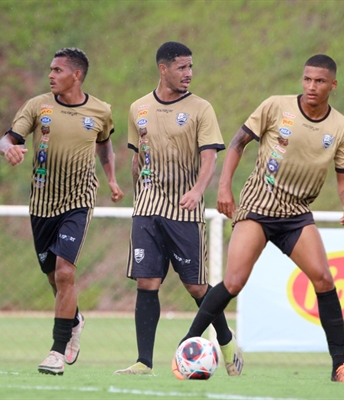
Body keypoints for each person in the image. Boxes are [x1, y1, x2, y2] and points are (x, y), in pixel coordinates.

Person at [179, 54, 344, 382]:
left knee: (323, 279)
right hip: (258, 207)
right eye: (307, 79)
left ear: (332, 85)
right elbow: (237, 144)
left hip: (295, 214)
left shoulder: (341, 128)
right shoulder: (275, 106)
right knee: (234, 281)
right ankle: (185, 347)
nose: (311, 86)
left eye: (319, 81)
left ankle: (340, 366)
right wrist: (224, 188)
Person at [114, 41, 243, 376]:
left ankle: (227, 343)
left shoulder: (201, 108)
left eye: (191, 67)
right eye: (182, 67)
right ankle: (144, 361)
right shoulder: (138, 108)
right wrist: (138, 194)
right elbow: (136, 156)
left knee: (197, 287)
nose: (189, 74)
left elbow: (209, 156)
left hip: (184, 212)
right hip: (147, 209)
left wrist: (198, 190)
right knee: (146, 282)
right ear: (163, 69)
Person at [0, 47, 124, 375]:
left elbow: (105, 144)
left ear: (76, 75)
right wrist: (9, 149)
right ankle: (75, 319)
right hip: (42, 204)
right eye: (50, 70)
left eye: (57, 70)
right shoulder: (38, 106)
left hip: (78, 202)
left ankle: (56, 350)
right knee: (53, 277)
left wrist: (110, 180)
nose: (50, 75)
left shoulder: (100, 111)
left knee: (66, 272)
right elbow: (7, 138)